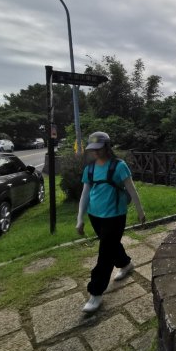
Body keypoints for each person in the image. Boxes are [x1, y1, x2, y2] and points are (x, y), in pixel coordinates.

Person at [76, 132, 146, 313]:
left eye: (99, 149)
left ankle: (96, 292)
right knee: (111, 246)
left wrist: (140, 211)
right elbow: (85, 194)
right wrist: (80, 219)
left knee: (105, 252)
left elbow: (131, 189)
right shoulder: (89, 169)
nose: (96, 153)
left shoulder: (119, 166)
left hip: (115, 215)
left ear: (107, 147)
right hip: (95, 215)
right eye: (93, 150)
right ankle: (125, 263)